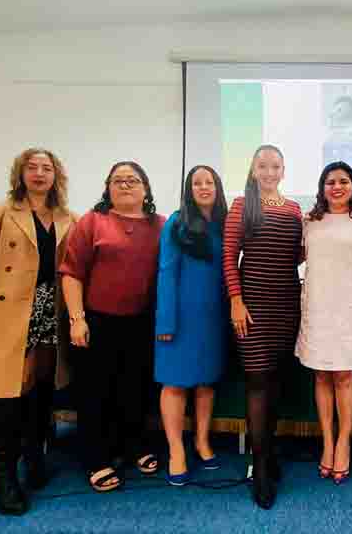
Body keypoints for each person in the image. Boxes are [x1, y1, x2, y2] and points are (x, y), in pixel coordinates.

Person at [0, 148, 76, 515]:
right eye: (32, 167)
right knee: (10, 392)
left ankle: (35, 456)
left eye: (47, 168)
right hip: (10, 310)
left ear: (56, 176)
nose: (39, 174)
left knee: (41, 390)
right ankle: (4, 474)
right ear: (21, 173)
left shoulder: (68, 217)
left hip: (49, 310)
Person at [59, 161, 166, 493]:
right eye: (118, 180)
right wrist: (77, 319)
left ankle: (134, 445)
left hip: (142, 322)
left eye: (133, 180)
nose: (125, 185)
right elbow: (71, 273)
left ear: (146, 188)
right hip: (97, 321)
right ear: (107, 188)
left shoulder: (161, 225)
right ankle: (96, 458)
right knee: (96, 392)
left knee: (135, 389)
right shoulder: (92, 222)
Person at [222, 145, 303, 510]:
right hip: (251, 307)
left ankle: (268, 454)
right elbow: (228, 256)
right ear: (254, 170)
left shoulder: (295, 209)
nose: (269, 171)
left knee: (276, 385)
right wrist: (236, 301)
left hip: (286, 305)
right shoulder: (242, 204)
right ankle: (260, 469)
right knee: (257, 383)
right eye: (263, 166)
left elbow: (297, 254)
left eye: (276, 166)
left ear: (283, 170)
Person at [297, 161, 352, 486]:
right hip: (317, 308)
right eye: (330, 181)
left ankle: (344, 442)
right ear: (322, 187)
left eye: (343, 181)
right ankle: (327, 441)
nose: (337, 187)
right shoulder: (310, 221)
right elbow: (296, 258)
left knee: (345, 377)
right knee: (321, 375)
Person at [155, 165, 229, 486]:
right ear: (189, 189)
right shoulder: (177, 223)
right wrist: (166, 320)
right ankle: (176, 451)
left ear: (217, 187)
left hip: (213, 318)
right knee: (174, 383)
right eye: (196, 183)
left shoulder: (225, 223)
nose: (203, 187)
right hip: (179, 317)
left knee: (205, 383)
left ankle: (201, 441)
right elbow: (166, 273)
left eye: (208, 182)